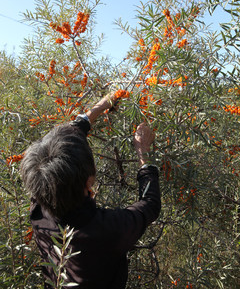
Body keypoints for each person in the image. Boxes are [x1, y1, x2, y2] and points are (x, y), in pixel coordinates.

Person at [21, 93, 161, 289]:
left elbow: (55, 145)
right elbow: (150, 204)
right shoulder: (108, 230)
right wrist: (143, 152)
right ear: (89, 182)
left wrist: (99, 108)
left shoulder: (38, 210)